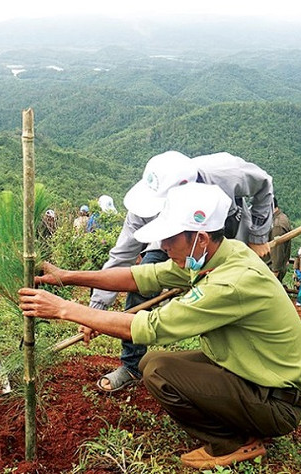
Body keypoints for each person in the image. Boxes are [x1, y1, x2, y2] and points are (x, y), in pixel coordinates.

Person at [20, 183, 301, 470]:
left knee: (160, 372)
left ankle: (231, 442)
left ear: (199, 238)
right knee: (150, 361)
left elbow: (149, 326)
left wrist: (64, 308)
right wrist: (67, 276)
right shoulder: (221, 253)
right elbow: (140, 277)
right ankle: (237, 420)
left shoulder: (230, 282)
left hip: (276, 402)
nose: (163, 246)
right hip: (249, 374)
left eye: (171, 239)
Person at [89, 150, 275, 392]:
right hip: (174, 240)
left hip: (226, 234)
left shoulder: (226, 173)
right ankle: (132, 366)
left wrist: (259, 236)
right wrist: (97, 309)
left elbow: (264, 185)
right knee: (142, 280)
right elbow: (123, 254)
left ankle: (232, 367)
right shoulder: (147, 205)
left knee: (224, 299)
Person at [268, 197, 293, 284]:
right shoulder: (281, 217)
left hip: (271, 271)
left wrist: (274, 274)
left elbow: (277, 251)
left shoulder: (277, 225)